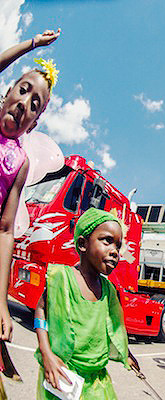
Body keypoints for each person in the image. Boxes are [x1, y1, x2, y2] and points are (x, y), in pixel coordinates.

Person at [34, 208, 137, 399]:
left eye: (118, 246)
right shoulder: (62, 278)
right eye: (107, 240)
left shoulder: (108, 290)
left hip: (97, 381)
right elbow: (41, 309)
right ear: (82, 244)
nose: (114, 251)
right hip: (63, 375)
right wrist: (46, 353)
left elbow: (114, 329)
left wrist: (126, 353)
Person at [0, 28, 60, 344]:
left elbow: (5, 231)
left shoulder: (19, 163)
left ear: (34, 123)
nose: (25, 102)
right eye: (23, 91)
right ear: (8, 91)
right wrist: (33, 44)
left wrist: (1, 303)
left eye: (35, 103)